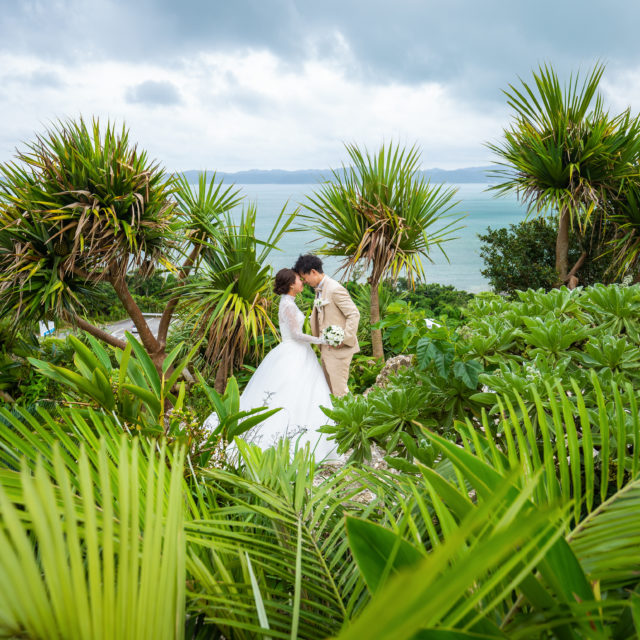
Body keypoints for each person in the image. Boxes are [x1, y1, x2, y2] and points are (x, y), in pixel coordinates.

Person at [203, 268, 338, 460]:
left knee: (304, 394)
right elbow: (297, 335)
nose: (302, 282)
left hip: (297, 352)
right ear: (291, 284)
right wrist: (322, 340)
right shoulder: (288, 305)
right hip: (293, 352)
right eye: (299, 280)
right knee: (291, 394)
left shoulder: (288, 302)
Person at [293, 254, 360, 397]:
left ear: (313, 272)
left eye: (304, 277)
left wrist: (344, 339)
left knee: (340, 392)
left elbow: (354, 314)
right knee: (329, 392)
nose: (304, 282)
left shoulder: (335, 289)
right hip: (325, 349)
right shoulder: (320, 289)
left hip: (338, 351)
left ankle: (349, 418)